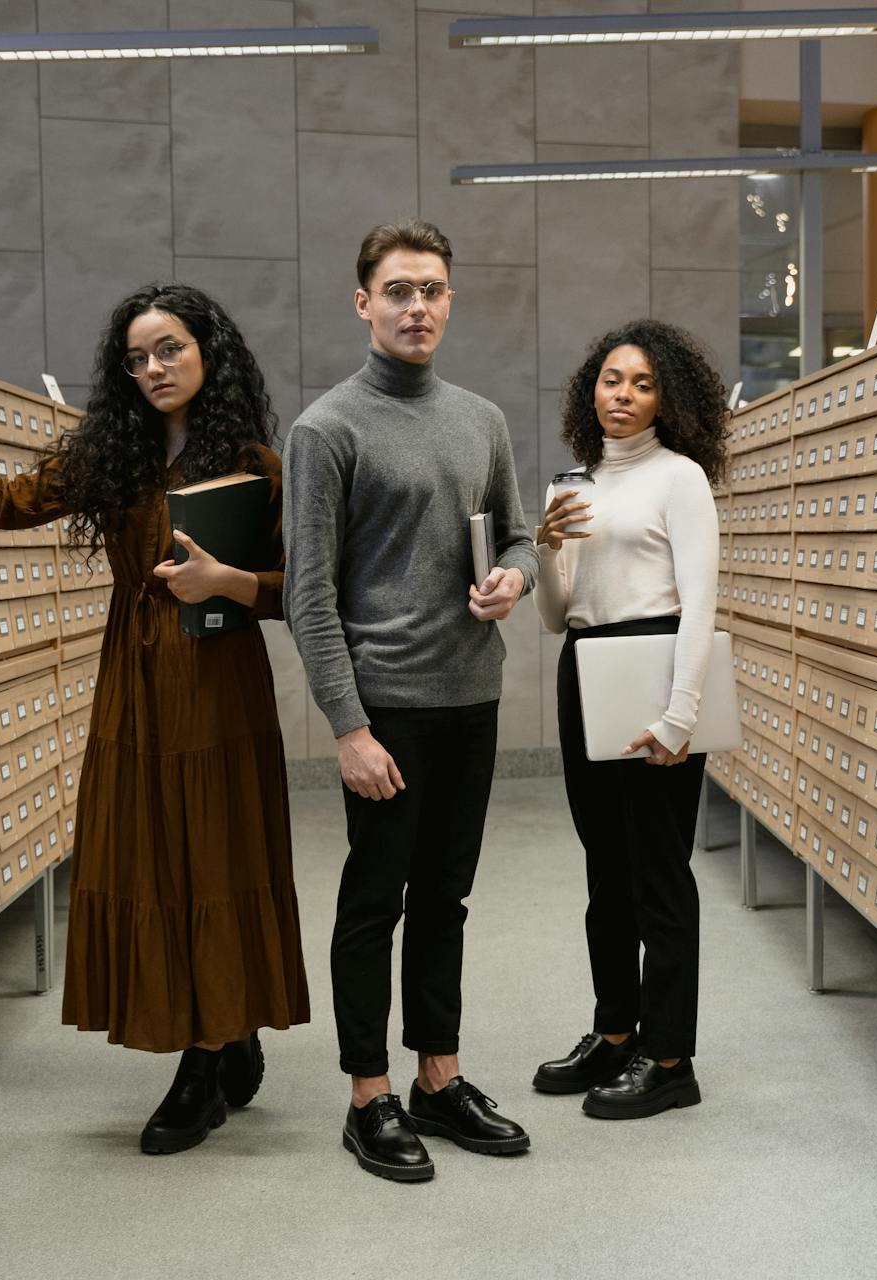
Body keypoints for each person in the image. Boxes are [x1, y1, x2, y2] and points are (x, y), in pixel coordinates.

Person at [0, 283, 310, 1155]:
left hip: (219, 685)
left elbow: (300, 593)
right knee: (156, 855)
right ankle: (227, 1031)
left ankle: (203, 1068)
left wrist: (227, 584)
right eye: (137, 358)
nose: (154, 369)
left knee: (214, 851)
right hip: (133, 679)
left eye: (170, 349)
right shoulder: (114, 454)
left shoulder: (256, 462)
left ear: (210, 352)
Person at [284, 219, 540, 1182]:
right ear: (365, 303)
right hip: (383, 710)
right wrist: (347, 727)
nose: (416, 306)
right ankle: (368, 1095)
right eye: (398, 290)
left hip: (470, 698)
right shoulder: (327, 428)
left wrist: (513, 579)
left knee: (446, 897)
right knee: (372, 901)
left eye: (431, 289)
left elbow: (518, 536)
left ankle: (439, 1078)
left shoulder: (481, 421)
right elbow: (308, 595)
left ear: (450, 299)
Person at [530, 319, 727, 1120]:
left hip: (654, 672)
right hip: (584, 666)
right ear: (592, 388)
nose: (625, 395)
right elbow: (554, 615)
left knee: (659, 875)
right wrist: (543, 549)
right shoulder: (569, 486)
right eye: (614, 379)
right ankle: (616, 1033)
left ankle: (670, 1054)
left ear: (667, 399)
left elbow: (700, 603)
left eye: (644, 383)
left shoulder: (680, 478)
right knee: (605, 869)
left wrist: (680, 716)